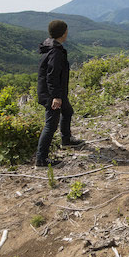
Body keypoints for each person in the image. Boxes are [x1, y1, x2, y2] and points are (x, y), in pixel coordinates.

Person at [35, 20, 84, 167]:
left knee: (67, 111)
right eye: (66, 31)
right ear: (63, 33)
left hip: (57, 92)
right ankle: (41, 160)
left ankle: (66, 140)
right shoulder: (55, 52)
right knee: (51, 124)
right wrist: (56, 97)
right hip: (52, 94)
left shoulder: (52, 46)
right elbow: (52, 76)